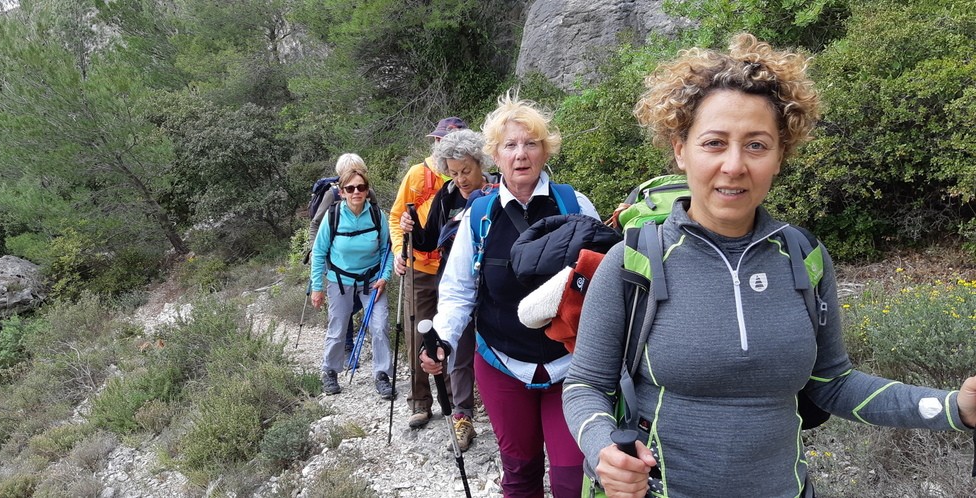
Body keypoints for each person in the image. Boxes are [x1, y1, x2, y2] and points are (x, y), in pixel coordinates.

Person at [561, 33, 976, 498]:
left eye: (757, 145)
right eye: (714, 143)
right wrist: (603, 450)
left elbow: (835, 384)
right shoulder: (634, 260)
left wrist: (954, 407)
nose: (734, 165)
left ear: (781, 154)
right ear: (681, 149)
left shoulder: (803, 257)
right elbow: (585, 385)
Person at [423, 92, 600, 497]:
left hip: (571, 367)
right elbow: (458, 291)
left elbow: (604, 285)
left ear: (545, 150)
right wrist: (445, 341)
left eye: (531, 143)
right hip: (502, 364)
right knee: (519, 475)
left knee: (573, 479)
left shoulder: (575, 205)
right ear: (495, 156)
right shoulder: (479, 217)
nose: (521, 154)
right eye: (510, 145)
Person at [398, 128, 495, 451]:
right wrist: (410, 228)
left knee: (497, 352)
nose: (461, 179)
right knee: (459, 355)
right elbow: (428, 241)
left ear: (481, 163)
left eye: (466, 171)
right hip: (455, 288)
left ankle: (503, 414)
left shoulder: (498, 190)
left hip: (496, 286)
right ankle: (462, 417)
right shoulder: (448, 195)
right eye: (453, 172)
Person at [390, 116, 468, 429]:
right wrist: (399, 250)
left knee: (453, 334)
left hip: (454, 268)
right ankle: (420, 402)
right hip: (420, 267)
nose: (442, 146)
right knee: (417, 334)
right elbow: (397, 217)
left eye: (449, 141)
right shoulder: (417, 175)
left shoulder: (466, 178)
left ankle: (457, 403)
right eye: (439, 141)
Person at [311, 163, 395, 400]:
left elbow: (387, 250)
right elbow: (319, 252)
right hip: (340, 281)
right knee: (337, 327)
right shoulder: (333, 216)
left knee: (379, 326)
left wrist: (384, 277)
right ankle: (330, 371)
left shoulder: (378, 216)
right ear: (342, 191)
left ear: (367, 190)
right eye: (350, 188)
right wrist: (317, 287)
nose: (356, 192)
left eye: (362, 187)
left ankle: (382, 375)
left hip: (372, 281)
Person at [307, 154, 381, 364]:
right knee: (343, 302)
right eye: (349, 185)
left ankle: (349, 342)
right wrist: (316, 250)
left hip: (364, 264)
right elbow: (316, 223)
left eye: (361, 179)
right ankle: (346, 346)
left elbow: (374, 218)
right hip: (335, 256)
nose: (356, 190)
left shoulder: (369, 194)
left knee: (353, 303)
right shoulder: (332, 195)